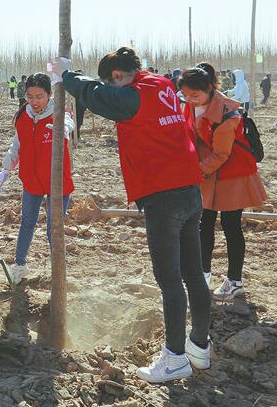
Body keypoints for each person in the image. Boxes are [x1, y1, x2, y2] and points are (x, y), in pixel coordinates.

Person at [59, 47, 211, 383]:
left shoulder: (135, 96)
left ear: (120, 75)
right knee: (193, 274)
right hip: (189, 190)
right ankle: (199, 345)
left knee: (169, 279)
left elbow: (98, 97)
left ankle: (173, 358)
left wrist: (66, 76)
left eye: (115, 80)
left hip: (163, 196)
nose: (115, 87)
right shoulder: (162, 85)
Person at [178, 64, 267, 301]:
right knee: (204, 223)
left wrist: (195, 172)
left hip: (232, 174)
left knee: (231, 225)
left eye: (195, 95)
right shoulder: (191, 104)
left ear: (209, 89)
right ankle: (202, 275)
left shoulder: (228, 114)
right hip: (208, 172)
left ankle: (234, 281)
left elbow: (221, 154)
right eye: (186, 95)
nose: (190, 100)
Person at [0, 74, 74, 284]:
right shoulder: (23, 117)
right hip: (31, 181)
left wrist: (62, 130)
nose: (35, 101)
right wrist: (6, 170)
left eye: (40, 96)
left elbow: (68, 123)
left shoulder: (59, 114)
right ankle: (19, 266)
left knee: (53, 229)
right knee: (27, 223)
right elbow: (16, 146)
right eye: (30, 96)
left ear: (49, 94)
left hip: (57, 183)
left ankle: (59, 271)